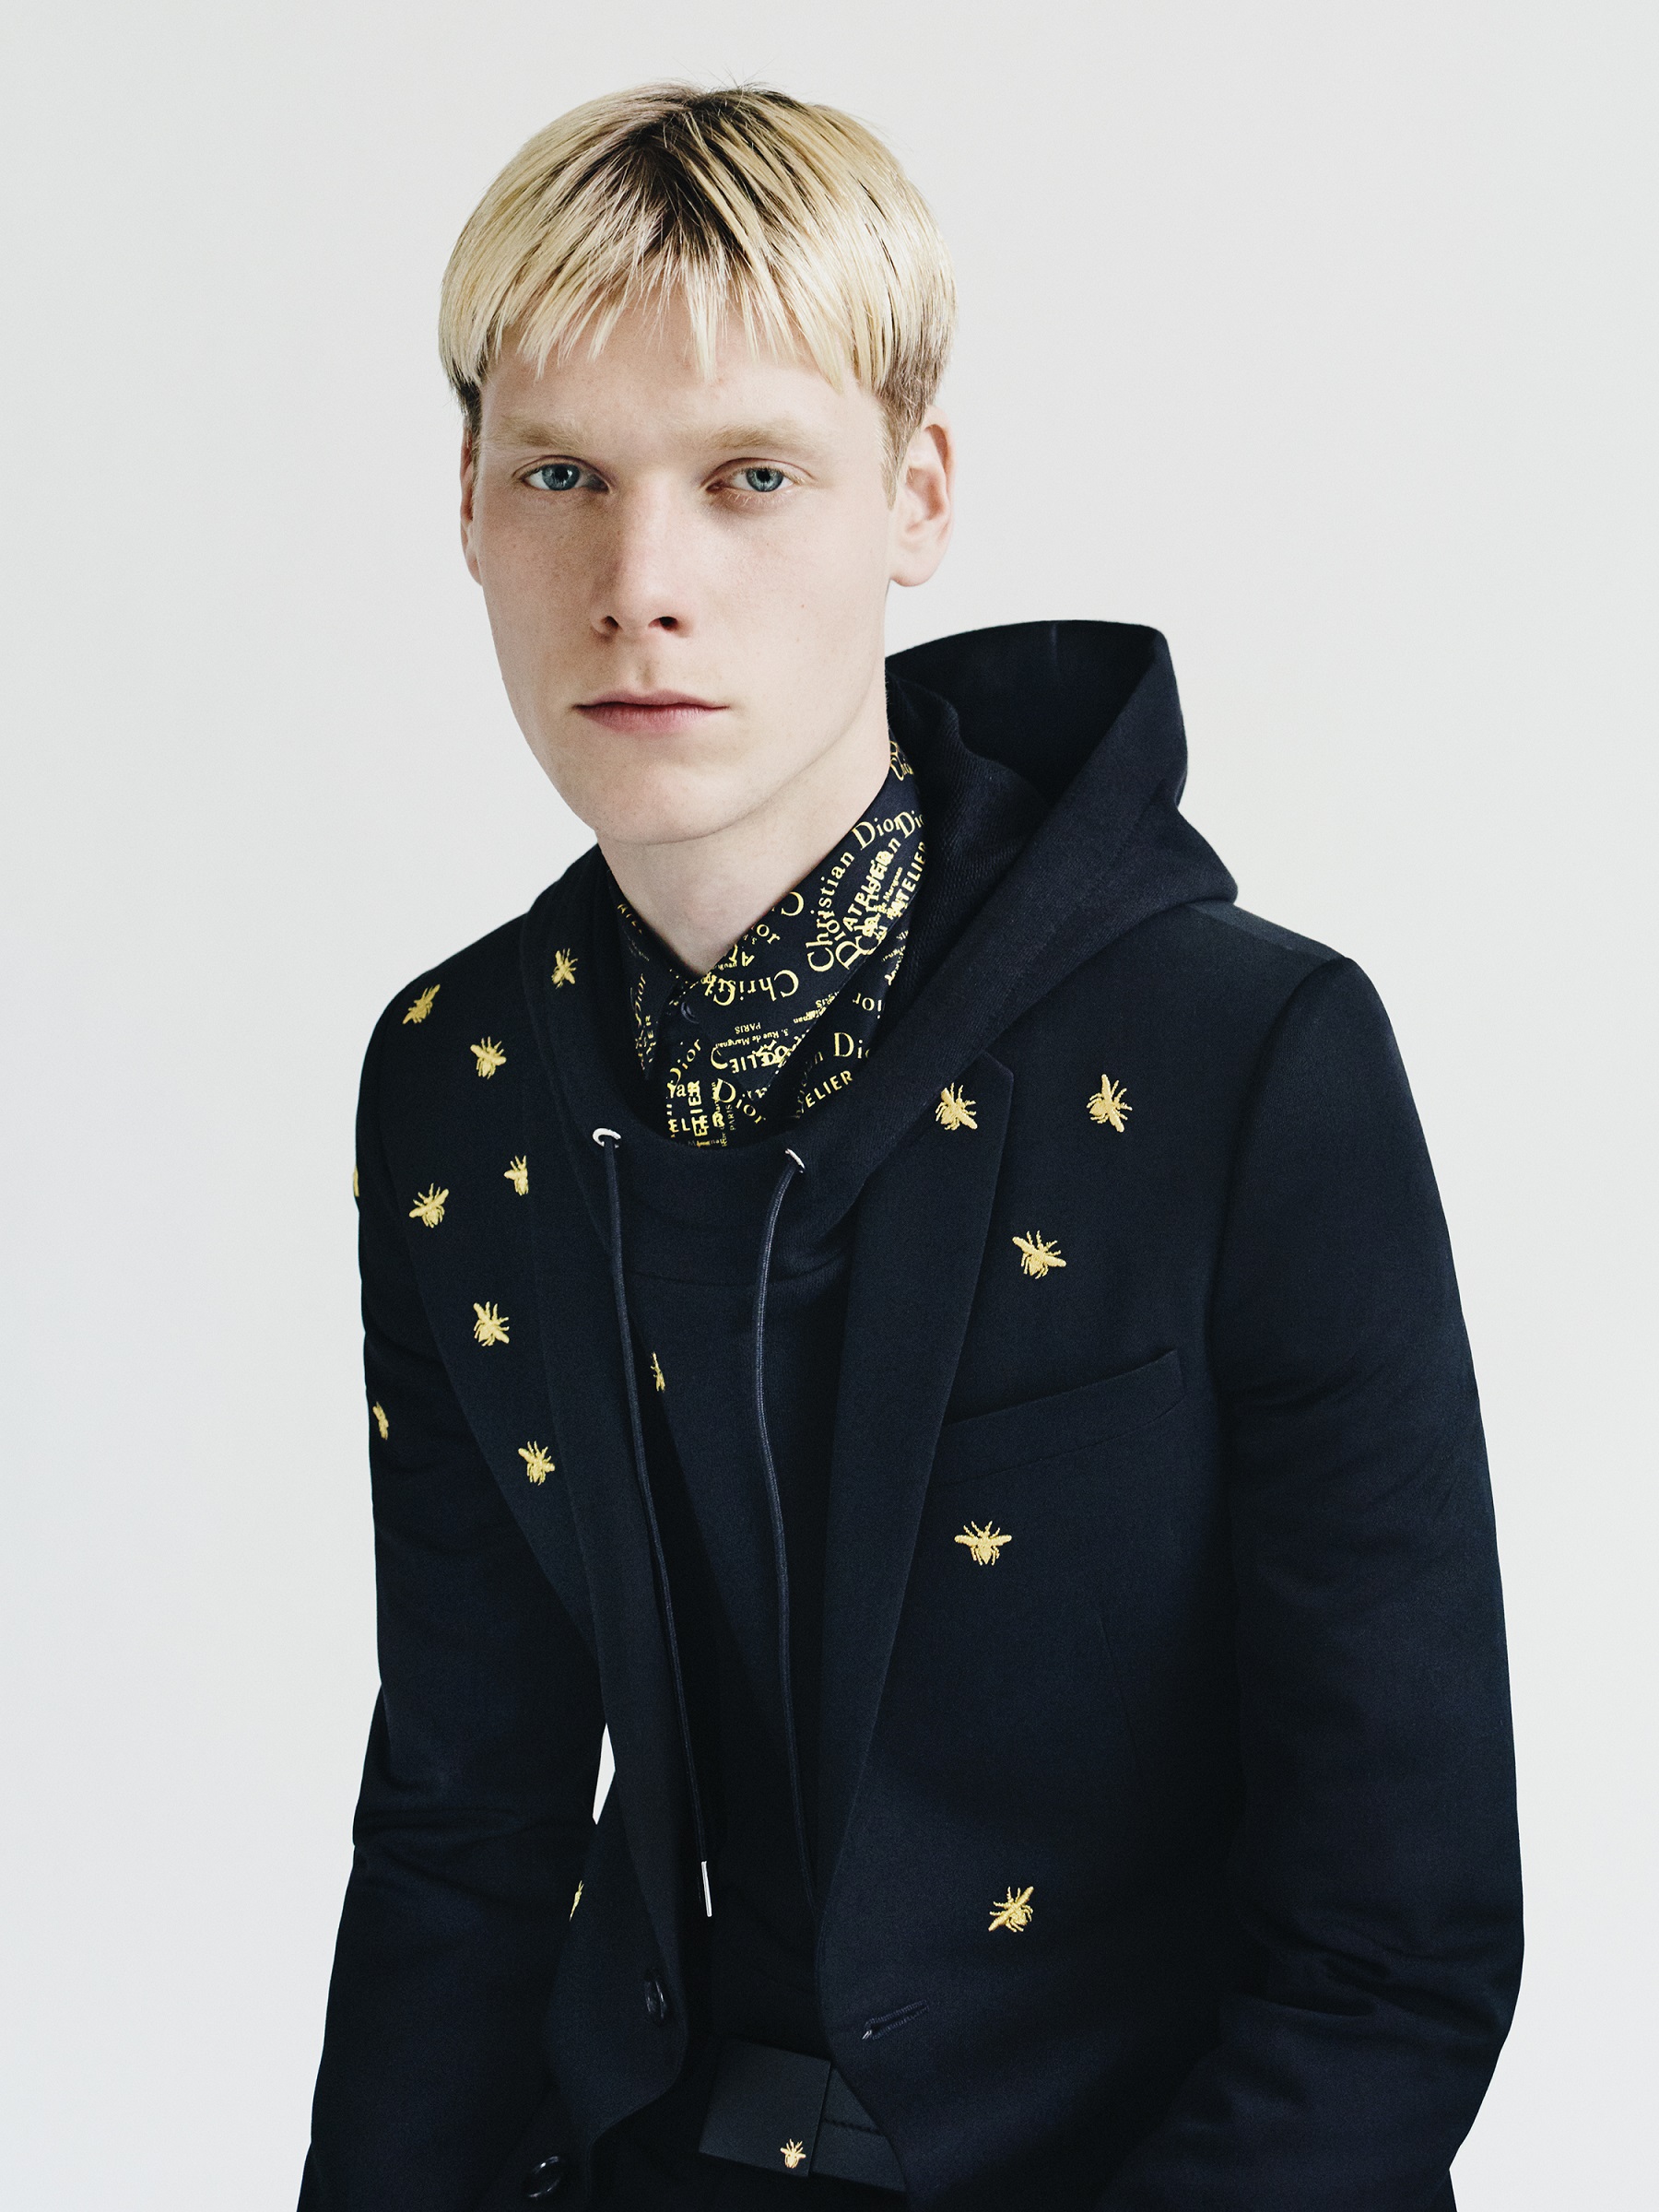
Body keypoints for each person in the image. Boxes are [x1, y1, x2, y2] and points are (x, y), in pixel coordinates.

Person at [299, 83, 1521, 2212]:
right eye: (562, 474)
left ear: (917, 494)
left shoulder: (1248, 1059)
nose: (641, 584)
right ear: (469, 508)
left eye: (751, 477)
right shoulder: (456, 1079)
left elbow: (1392, 1948)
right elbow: (464, 1832)